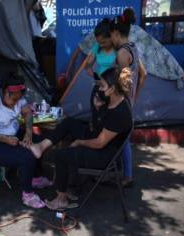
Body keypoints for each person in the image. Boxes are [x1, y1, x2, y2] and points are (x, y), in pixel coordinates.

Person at [29, 67, 133, 210]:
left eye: (103, 86)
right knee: (69, 123)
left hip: (105, 155)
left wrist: (79, 142)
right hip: (99, 139)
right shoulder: (111, 99)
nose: (100, 89)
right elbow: (95, 127)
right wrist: (97, 110)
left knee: (61, 155)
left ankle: (62, 199)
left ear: (113, 88)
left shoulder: (120, 112)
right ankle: (41, 146)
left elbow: (99, 143)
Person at [0, 74, 51, 209]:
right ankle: (27, 195)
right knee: (26, 157)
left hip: (11, 134)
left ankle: (35, 178)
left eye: (19, 99)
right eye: (14, 99)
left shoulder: (16, 95)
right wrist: (5, 139)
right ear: (4, 92)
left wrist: (28, 133)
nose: (16, 102)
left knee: (39, 141)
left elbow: (27, 112)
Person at [110, 14, 147, 187]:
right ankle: (126, 174)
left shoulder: (122, 53)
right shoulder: (133, 48)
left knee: (122, 140)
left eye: (111, 35)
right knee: (124, 140)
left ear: (117, 32)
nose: (111, 39)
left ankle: (126, 177)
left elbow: (123, 84)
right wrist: (135, 98)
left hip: (122, 103)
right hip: (128, 103)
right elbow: (143, 74)